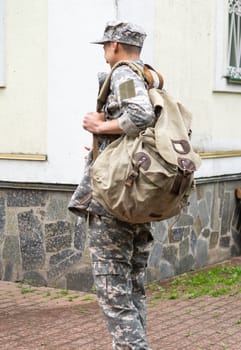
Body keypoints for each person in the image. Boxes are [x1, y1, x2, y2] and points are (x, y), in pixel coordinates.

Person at [68, 21, 160, 350]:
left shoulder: (122, 73)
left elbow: (140, 116)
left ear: (116, 44)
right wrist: (105, 144)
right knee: (133, 289)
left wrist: (101, 125)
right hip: (138, 196)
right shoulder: (150, 76)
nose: (105, 52)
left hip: (114, 199)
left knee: (114, 294)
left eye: (106, 45)